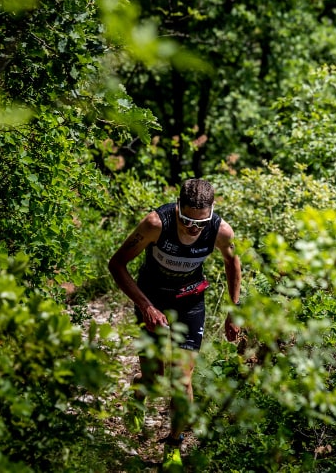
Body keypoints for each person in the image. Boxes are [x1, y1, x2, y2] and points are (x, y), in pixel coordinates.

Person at [109, 177, 241, 462]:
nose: (193, 229)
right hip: (152, 301)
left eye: (201, 223)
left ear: (212, 210)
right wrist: (145, 305)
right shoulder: (156, 224)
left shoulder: (221, 231)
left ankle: (173, 445)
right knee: (155, 377)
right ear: (178, 206)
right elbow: (117, 264)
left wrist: (234, 310)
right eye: (186, 220)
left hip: (190, 304)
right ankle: (139, 392)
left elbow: (233, 262)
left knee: (181, 382)